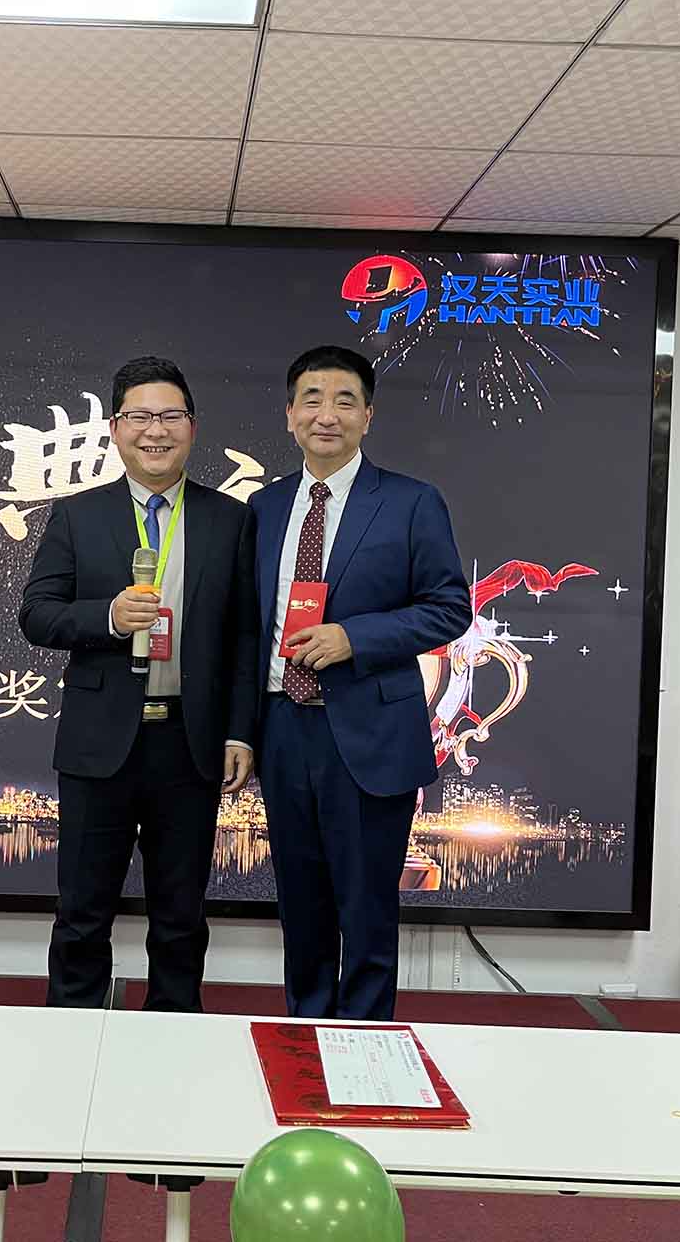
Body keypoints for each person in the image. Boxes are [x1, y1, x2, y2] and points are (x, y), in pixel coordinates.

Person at [21, 356, 258, 1013]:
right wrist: (106, 616)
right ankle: (72, 1036)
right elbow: (37, 614)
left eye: (170, 416)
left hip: (189, 742)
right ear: (115, 429)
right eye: (140, 417)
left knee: (181, 918)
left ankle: (173, 1037)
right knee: (82, 913)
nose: (156, 430)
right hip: (99, 745)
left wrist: (240, 731)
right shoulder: (78, 516)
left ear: (192, 427)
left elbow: (245, 636)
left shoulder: (230, 519)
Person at [249, 345, 469, 1020]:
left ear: (367, 416)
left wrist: (355, 637)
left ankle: (365, 1037)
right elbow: (246, 623)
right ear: (289, 414)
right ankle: (307, 1027)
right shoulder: (263, 506)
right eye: (312, 399)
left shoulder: (410, 502)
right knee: (301, 901)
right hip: (282, 726)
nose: (327, 415)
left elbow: (449, 608)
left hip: (370, 731)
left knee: (368, 905)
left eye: (345, 401)